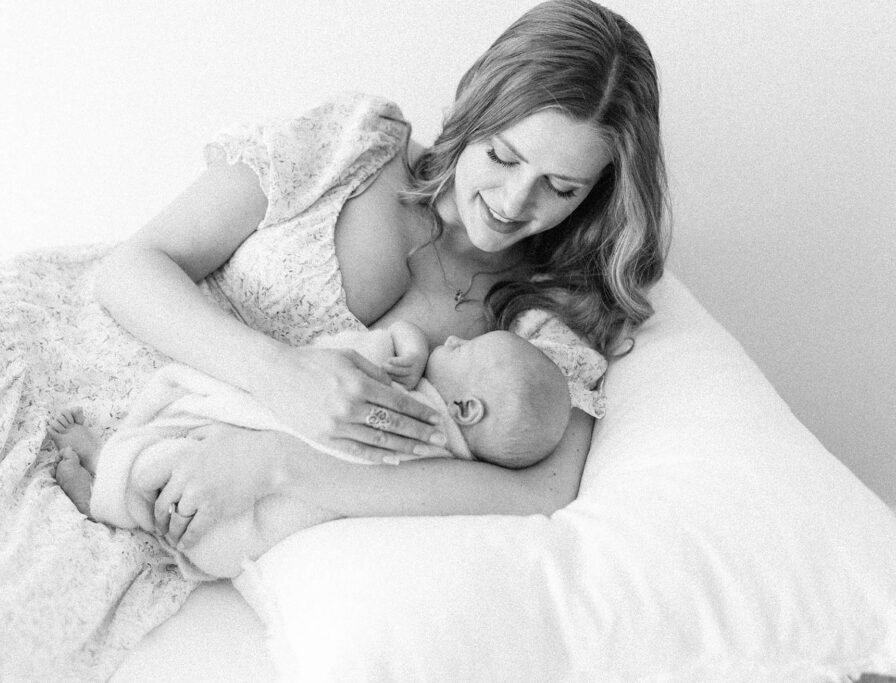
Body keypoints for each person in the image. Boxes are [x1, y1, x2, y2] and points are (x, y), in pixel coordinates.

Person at [89, 0, 668, 550]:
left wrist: (273, 465)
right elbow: (131, 268)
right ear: (473, 115)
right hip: (76, 364)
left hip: (169, 488)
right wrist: (274, 374)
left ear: (598, 193)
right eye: (503, 157)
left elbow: (537, 491)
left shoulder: (553, 313)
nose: (515, 202)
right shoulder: (356, 145)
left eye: (561, 187)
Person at [45, 322, 572, 578]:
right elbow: (385, 342)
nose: (453, 341)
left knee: (175, 476)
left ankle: (102, 487)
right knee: (188, 470)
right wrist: (411, 346)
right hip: (268, 425)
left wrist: (270, 460)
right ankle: (114, 471)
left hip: (284, 481)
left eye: (467, 348)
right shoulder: (420, 374)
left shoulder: (428, 435)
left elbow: (361, 389)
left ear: (467, 411)